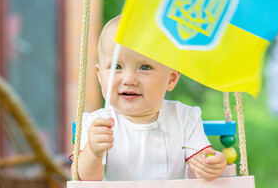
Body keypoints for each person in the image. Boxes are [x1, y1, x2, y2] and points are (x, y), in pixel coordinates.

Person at [71, 15, 227, 181]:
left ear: (171, 78)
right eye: (117, 67)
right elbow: (85, 179)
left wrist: (212, 165)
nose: (129, 79)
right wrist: (93, 151)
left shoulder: (184, 118)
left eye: (145, 67)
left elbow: (201, 163)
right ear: (100, 75)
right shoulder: (96, 124)